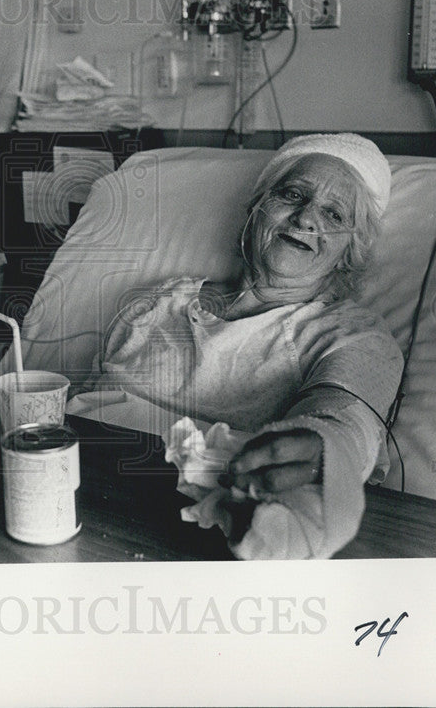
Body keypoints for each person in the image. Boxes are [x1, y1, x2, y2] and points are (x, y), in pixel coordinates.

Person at [86, 133, 403, 558]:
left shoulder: (353, 335)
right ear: (257, 209)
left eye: (333, 214)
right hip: (73, 491)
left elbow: (346, 420)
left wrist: (325, 448)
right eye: (293, 194)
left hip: (176, 542)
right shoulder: (155, 303)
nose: (307, 218)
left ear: (349, 252)